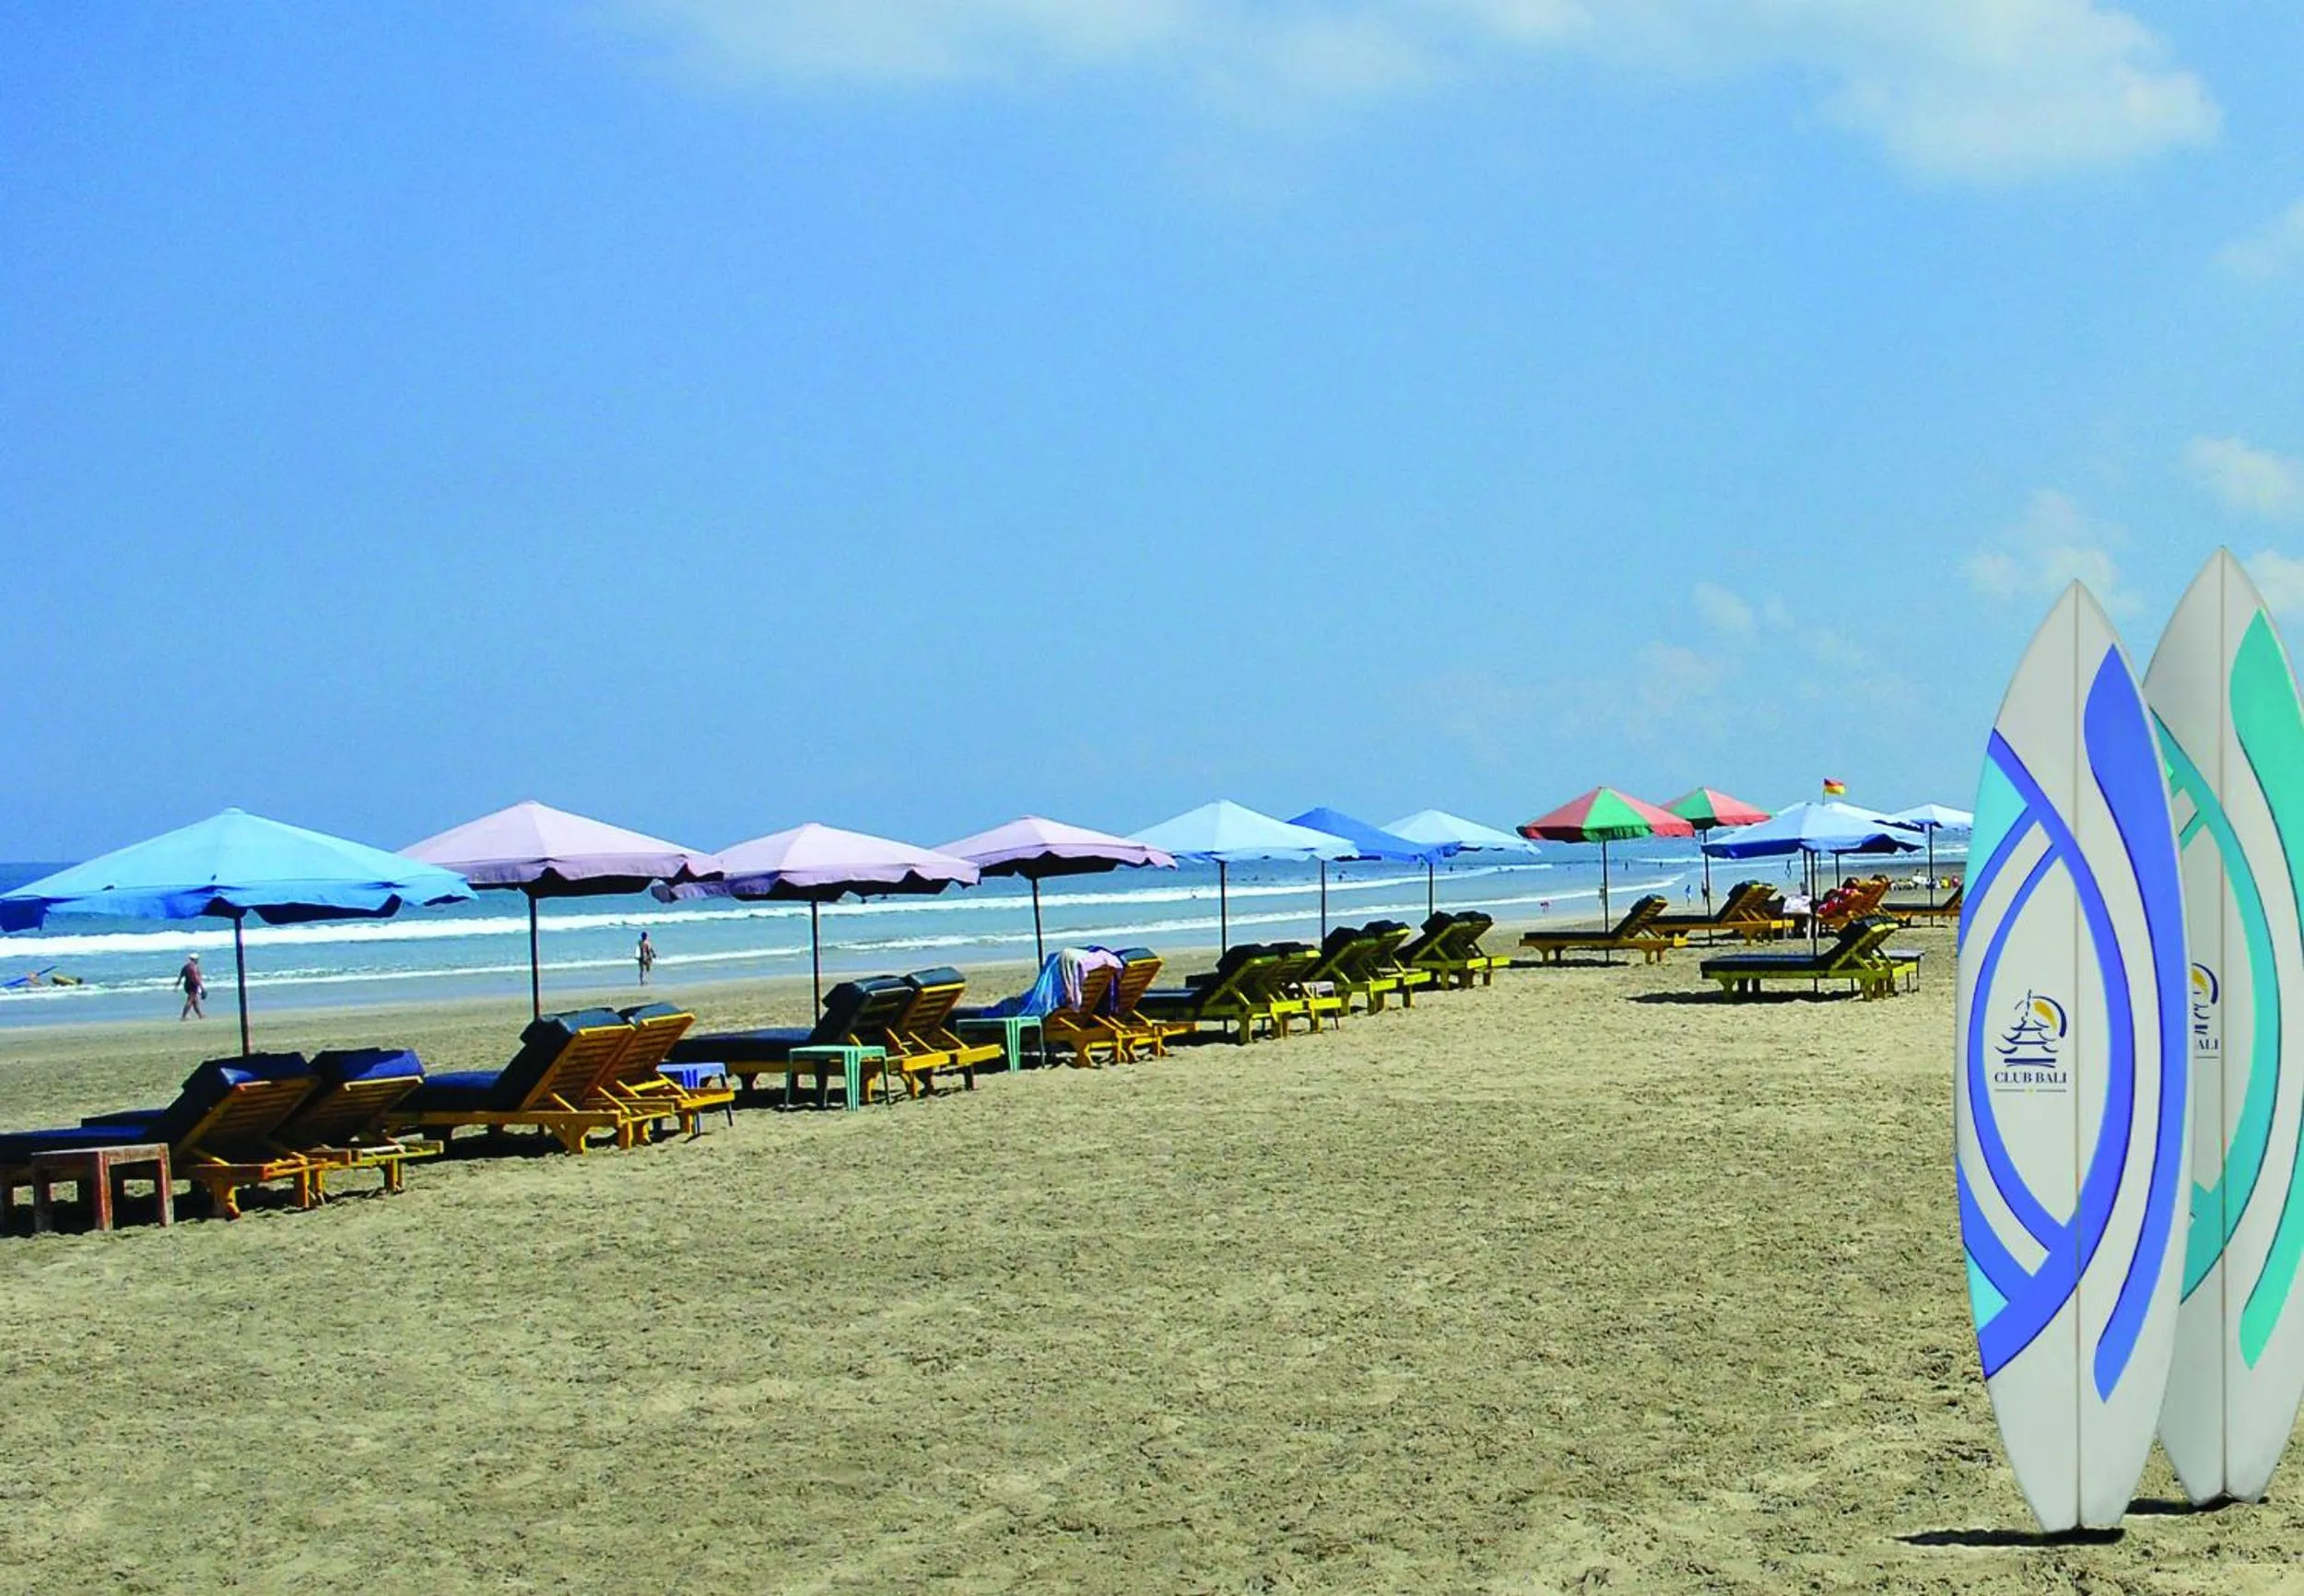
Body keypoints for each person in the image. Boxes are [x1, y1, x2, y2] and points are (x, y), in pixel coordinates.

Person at [178, 952, 206, 1020]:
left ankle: (200, 1015)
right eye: (197, 959)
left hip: (187, 985)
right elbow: (196, 978)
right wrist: (202, 988)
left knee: (195, 1001)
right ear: (195, 959)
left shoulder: (186, 966)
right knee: (190, 1000)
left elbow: (181, 975)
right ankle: (183, 1016)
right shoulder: (193, 967)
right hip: (192, 986)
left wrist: (177, 984)